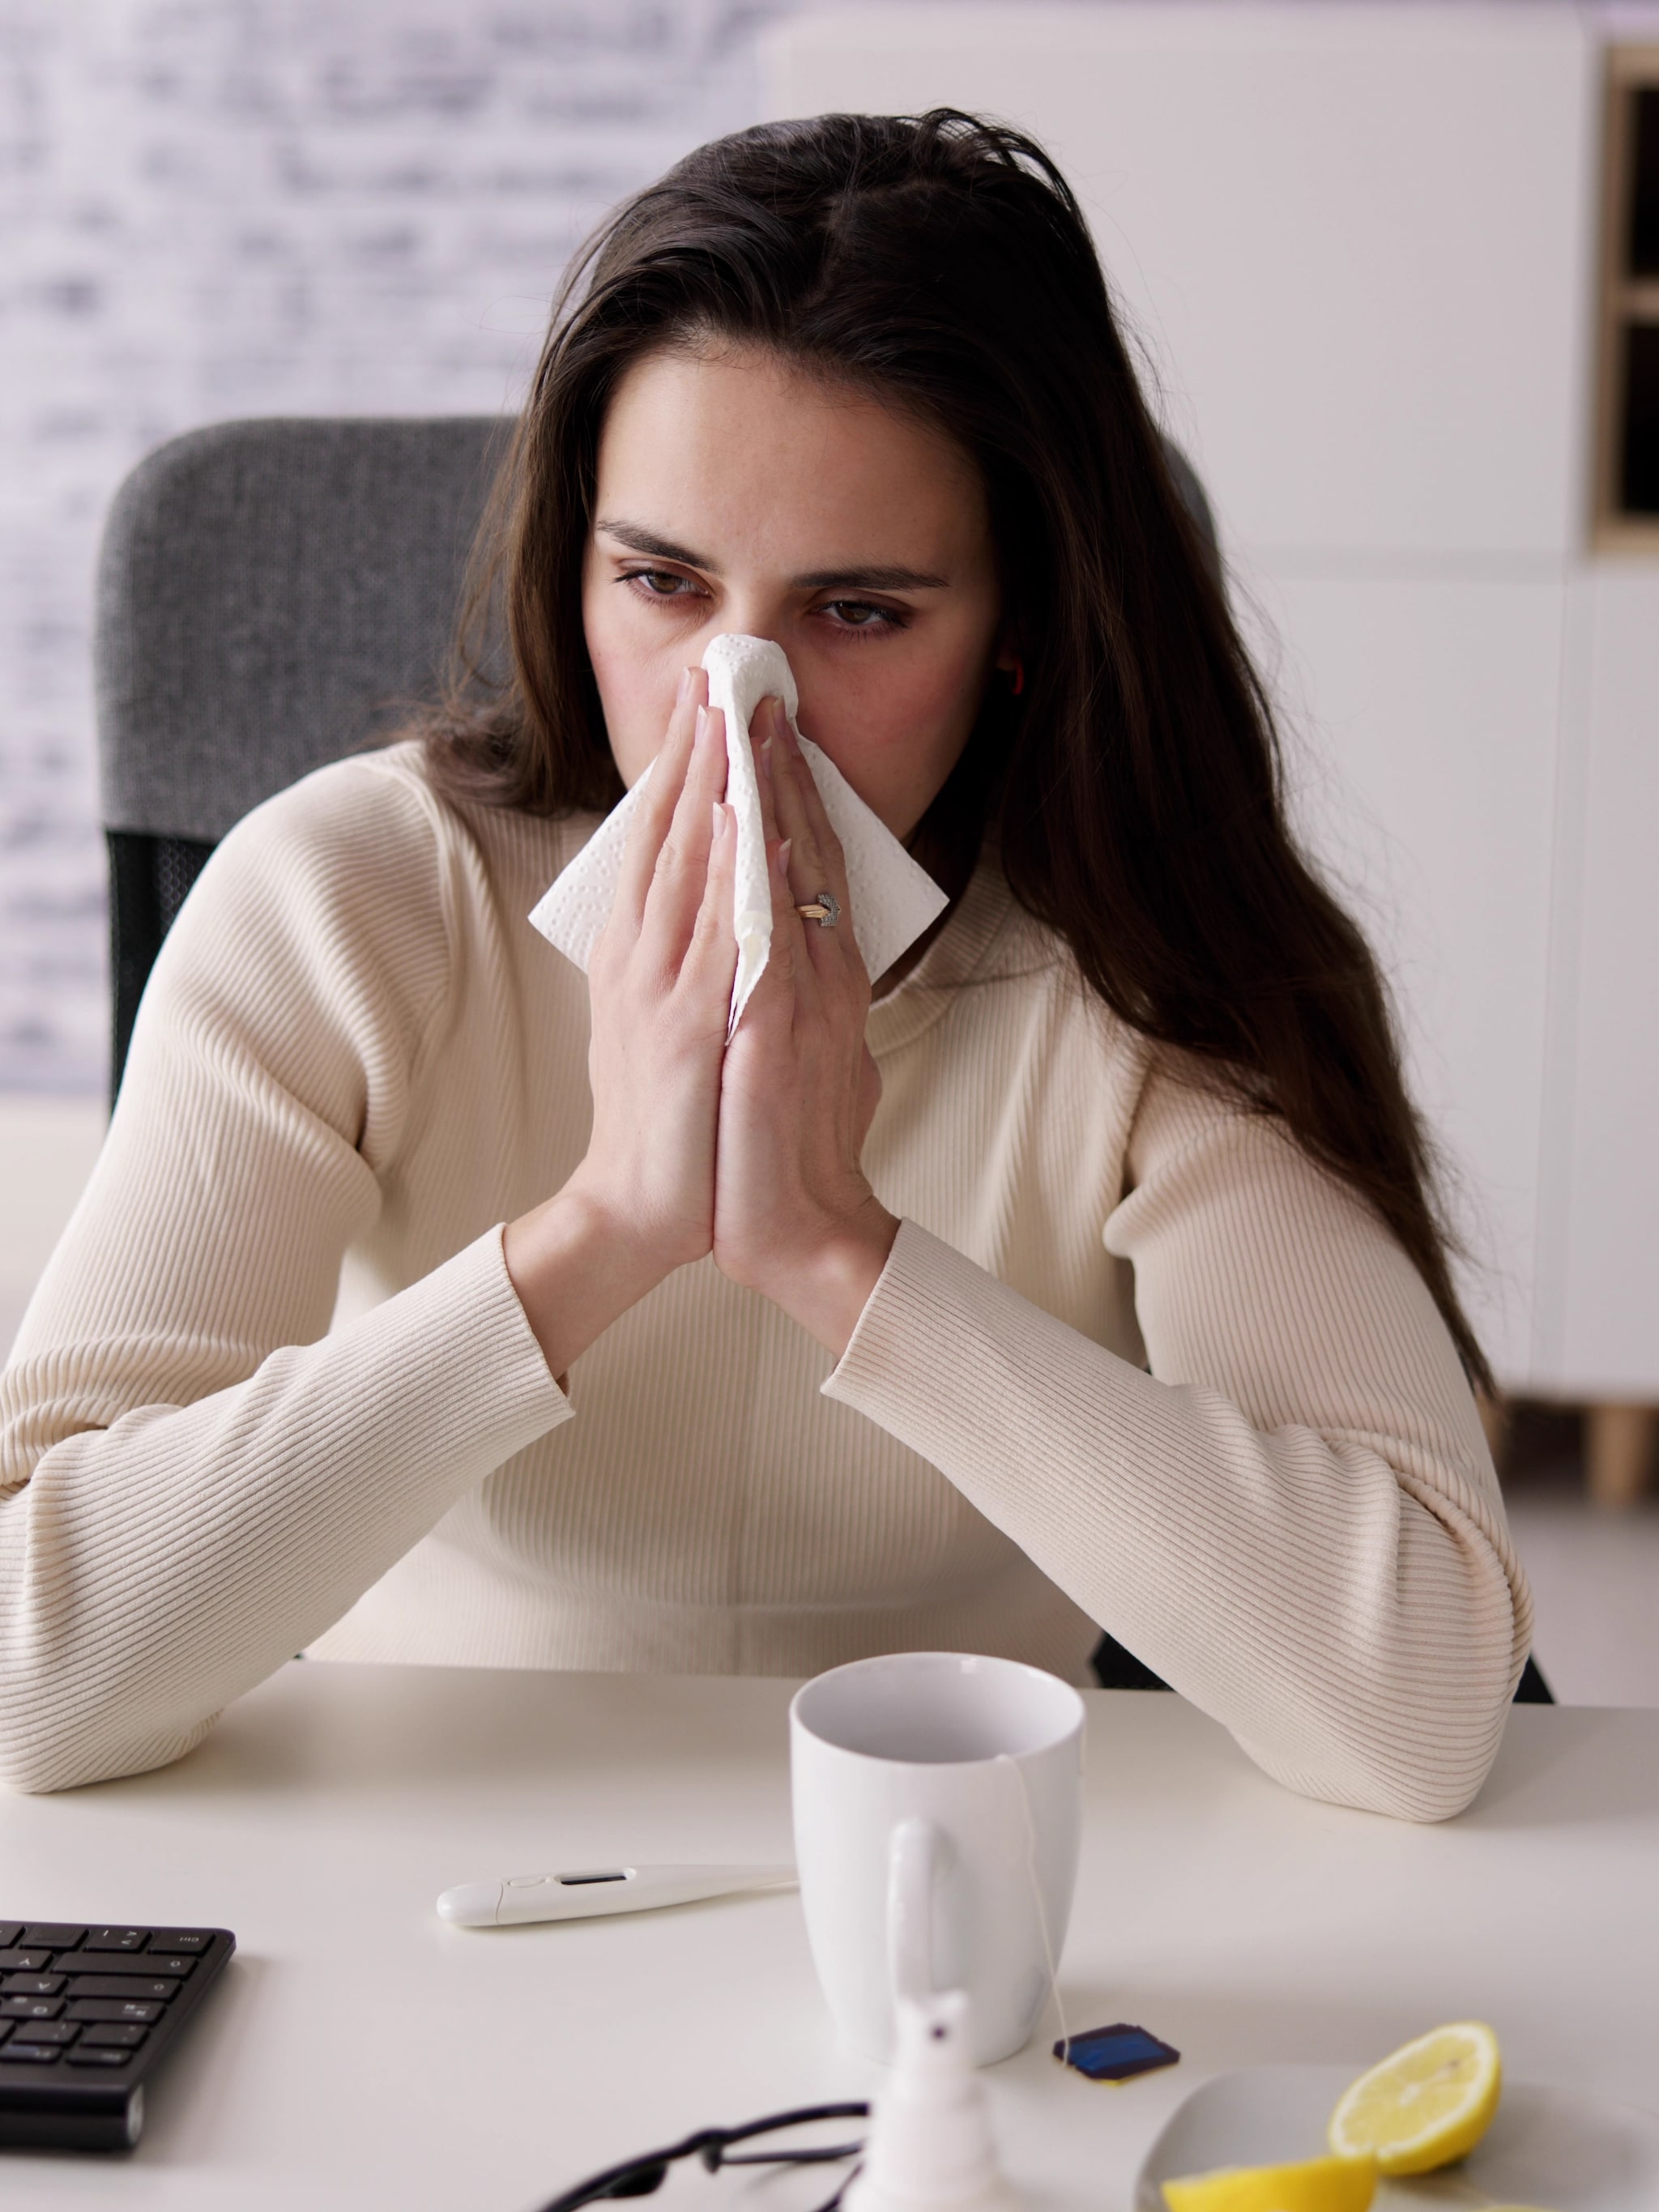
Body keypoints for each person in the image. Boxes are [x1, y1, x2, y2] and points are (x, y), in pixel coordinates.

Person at [0, 111, 1529, 1813]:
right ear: (568, 572)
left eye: (858, 611)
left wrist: (833, 1248)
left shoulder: (1148, 953)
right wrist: (600, 1232)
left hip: (956, 1854)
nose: (738, 706)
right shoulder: (351, 897)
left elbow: (1429, 1704)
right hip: (416, 1841)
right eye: (658, 581)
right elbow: (26, 1679)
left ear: (1022, 633)